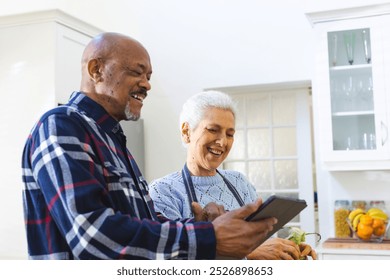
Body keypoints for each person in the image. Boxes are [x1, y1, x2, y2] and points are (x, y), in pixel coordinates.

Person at [21, 32, 277, 260]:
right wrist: (209, 237)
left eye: (149, 76)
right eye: (136, 72)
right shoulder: (61, 124)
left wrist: (200, 225)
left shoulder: (113, 140)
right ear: (96, 70)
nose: (147, 84)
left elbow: (145, 224)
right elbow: (92, 235)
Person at [149, 90, 314, 260]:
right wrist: (248, 252)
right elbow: (172, 260)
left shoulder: (238, 182)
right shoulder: (163, 191)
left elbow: (263, 241)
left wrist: (287, 250)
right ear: (186, 132)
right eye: (213, 130)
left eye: (230, 134)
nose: (222, 142)